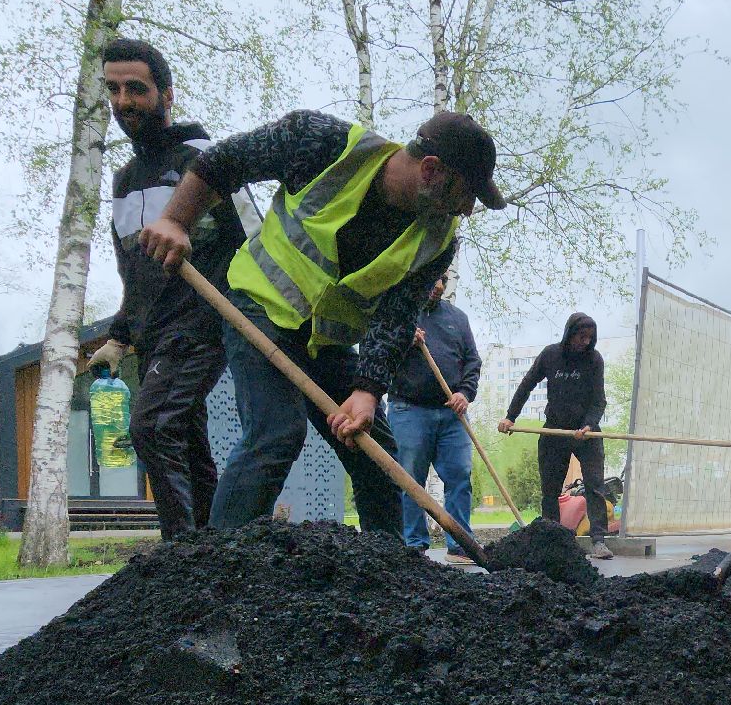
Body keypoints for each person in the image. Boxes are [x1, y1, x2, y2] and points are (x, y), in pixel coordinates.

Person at [137, 109, 505, 536]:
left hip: (323, 342)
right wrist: (175, 219)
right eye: (466, 193)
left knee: (376, 450)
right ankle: (216, 568)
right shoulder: (323, 143)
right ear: (431, 169)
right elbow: (226, 160)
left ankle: (384, 574)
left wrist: (367, 391)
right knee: (276, 433)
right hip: (260, 307)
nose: (469, 208)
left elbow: (396, 316)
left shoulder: (438, 240)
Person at [87, 39, 246, 541]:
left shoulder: (204, 159)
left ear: (167, 94)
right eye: (113, 89)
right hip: (155, 335)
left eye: (137, 88)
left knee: (154, 426)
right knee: (188, 442)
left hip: (202, 324)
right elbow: (133, 274)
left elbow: (255, 241)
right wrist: (118, 335)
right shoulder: (124, 181)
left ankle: (183, 557)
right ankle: (210, 551)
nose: (124, 101)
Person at [497, 313, 612, 560]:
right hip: (554, 430)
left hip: (586, 433)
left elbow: (599, 400)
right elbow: (526, 385)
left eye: (590, 338)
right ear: (569, 334)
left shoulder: (594, 360)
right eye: (581, 337)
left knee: (595, 486)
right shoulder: (551, 355)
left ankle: (599, 541)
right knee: (550, 489)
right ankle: (554, 543)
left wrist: (589, 425)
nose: (585, 342)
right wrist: (510, 417)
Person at [386, 272, 480, 558]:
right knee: (410, 479)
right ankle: (414, 546)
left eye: (442, 280)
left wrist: (464, 393)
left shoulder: (458, 318)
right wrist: (402, 338)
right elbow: (376, 352)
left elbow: (472, 361)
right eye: (432, 280)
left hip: (452, 413)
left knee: (460, 476)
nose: (437, 286)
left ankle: (459, 544)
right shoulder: (397, 313)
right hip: (408, 409)